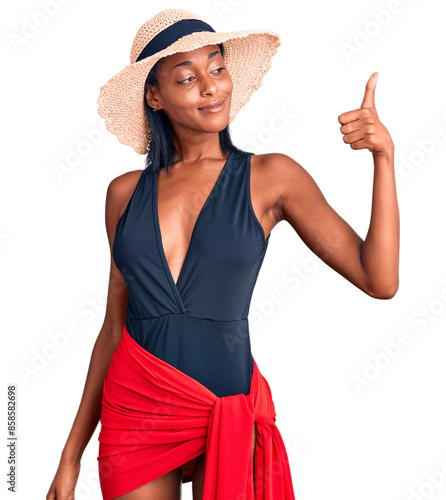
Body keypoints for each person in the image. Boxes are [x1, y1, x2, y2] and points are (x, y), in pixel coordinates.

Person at [46, 7, 399, 500]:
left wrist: (384, 158)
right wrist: (70, 455)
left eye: (217, 68)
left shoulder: (272, 176)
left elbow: (378, 280)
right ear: (154, 95)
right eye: (187, 78)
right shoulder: (123, 194)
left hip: (224, 405)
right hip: (137, 410)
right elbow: (112, 328)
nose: (212, 88)